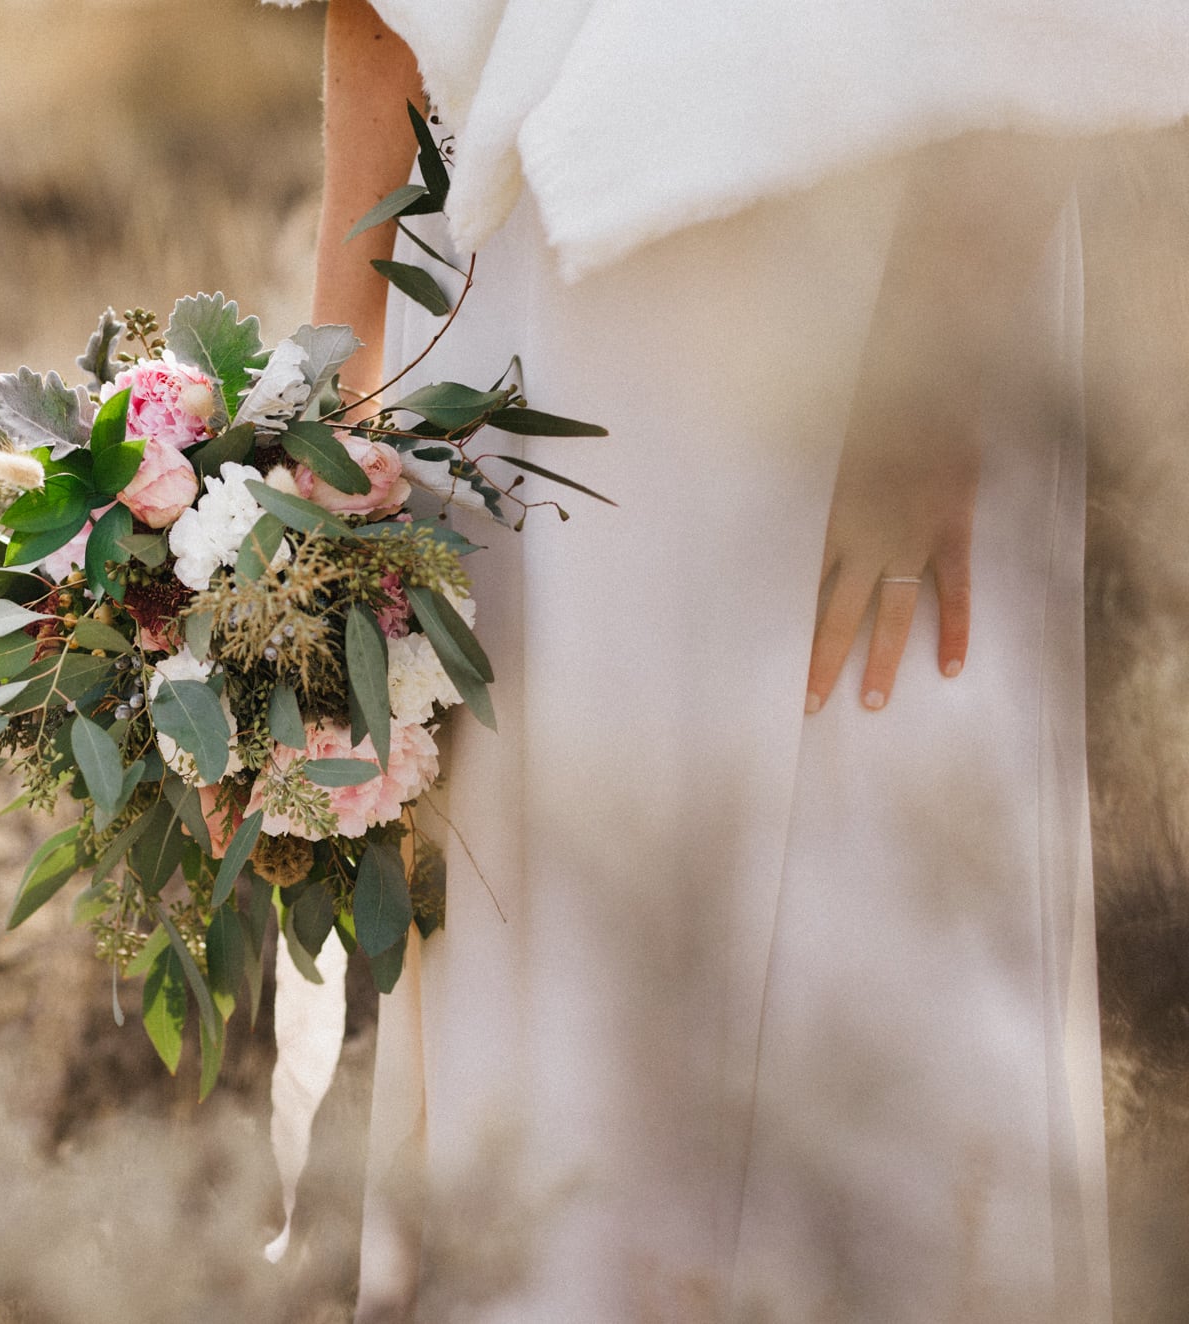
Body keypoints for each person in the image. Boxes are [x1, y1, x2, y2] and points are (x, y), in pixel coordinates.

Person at [268, 0, 1189, 1317]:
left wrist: (932, 376)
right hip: (510, 271)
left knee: (876, 895)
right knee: (544, 902)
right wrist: (340, 387)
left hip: (866, 274)